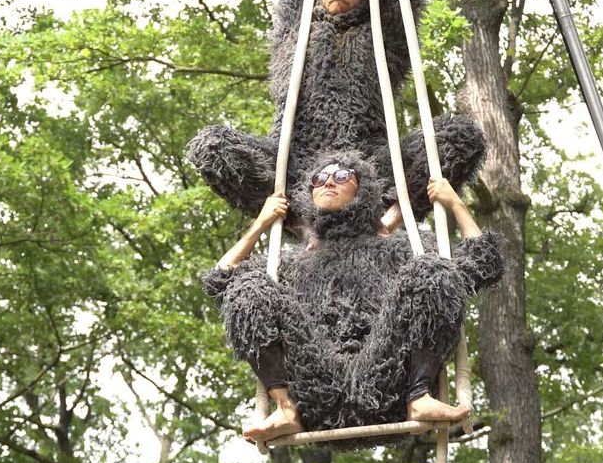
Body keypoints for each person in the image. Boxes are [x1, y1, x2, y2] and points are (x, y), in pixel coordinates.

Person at [186, 0, 485, 235]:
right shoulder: (295, 32)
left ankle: (387, 221)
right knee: (211, 147)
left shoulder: (382, 37)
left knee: (462, 136)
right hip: (297, 160)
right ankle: (302, 226)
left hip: (370, 161)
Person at [202, 147, 502, 444]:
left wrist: (455, 203)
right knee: (248, 289)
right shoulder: (294, 262)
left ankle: (419, 394)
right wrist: (261, 224)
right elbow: (220, 281)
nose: (328, 182)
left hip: (387, 383)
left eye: (342, 175)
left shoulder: (397, 247)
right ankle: (285, 407)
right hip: (314, 391)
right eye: (319, 178)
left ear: (364, 191)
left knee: (433, 270)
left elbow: (482, 263)